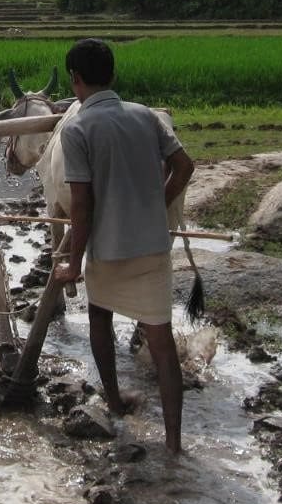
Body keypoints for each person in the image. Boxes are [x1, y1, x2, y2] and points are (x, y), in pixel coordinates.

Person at [51, 38, 195, 454]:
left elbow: (81, 204)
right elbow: (184, 167)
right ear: (112, 75)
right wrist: (157, 204)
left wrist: (72, 264)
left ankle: (114, 400)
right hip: (151, 246)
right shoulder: (146, 117)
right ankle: (173, 444)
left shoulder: (77, 128)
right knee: (162, 341)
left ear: (74, 79)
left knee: (99, 315)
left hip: (108, 250)